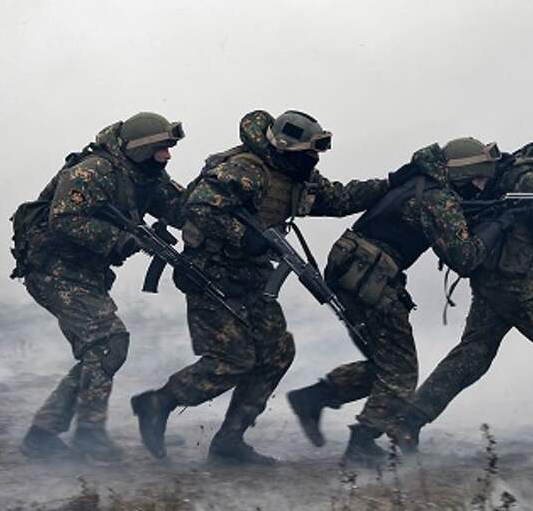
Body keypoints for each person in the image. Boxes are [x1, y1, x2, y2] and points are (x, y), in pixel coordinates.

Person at [131, 109, 388, 466]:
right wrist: (245, 237)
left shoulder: (295, 175)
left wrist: (390, 184)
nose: (313, 159)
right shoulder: (244, 170)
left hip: (251, 277)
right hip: (211, 274)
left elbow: (340, 199)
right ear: (283, 147)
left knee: (277, 353)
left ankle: (229, 443)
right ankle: (158, 403)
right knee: (232, 360)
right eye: (307, 152)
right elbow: (198, 209)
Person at [389, 108, 533, 458]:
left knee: (474, 355)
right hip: (514, 277)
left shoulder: (532, 161)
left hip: (496, 274)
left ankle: (407, 421)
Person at [286, 137, 512, 465]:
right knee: (402, 372)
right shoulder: (438, 199)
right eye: (478, 179)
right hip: (372, 277)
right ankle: (361, 443)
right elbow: (465, 258)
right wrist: (500, 223)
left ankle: (315, 397)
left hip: (352, 269)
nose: (481, 187)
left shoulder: (420, 182)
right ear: (463, 176)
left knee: (384, 364)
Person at [10, 112, 186, 461]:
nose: (167, 156)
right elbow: (63, 220)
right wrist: (120, 239)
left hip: (83, 273)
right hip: (53, 270)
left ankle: (42, 434)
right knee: (108, 343)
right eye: (161, 149)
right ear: (139, 149)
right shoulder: (93, 171)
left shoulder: (146, 175)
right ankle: (90, 435)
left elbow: (181, 208)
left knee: (101, 350)